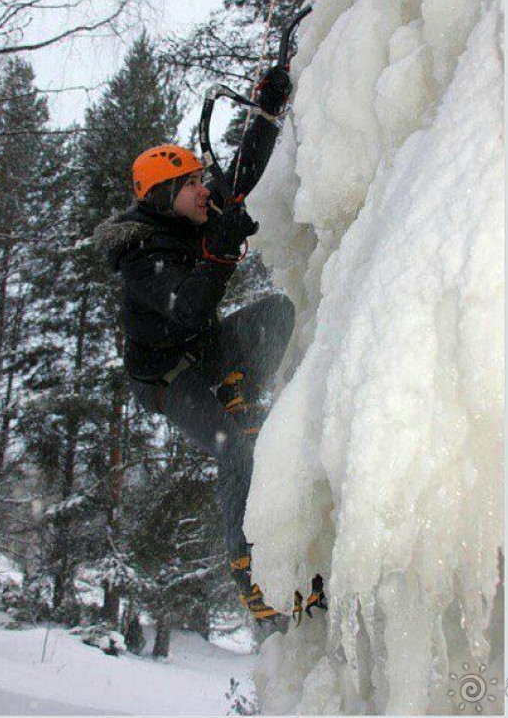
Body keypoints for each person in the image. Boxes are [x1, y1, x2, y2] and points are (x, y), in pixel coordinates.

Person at [95, 66, 295, 620]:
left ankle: (238, 389)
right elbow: (189, 307)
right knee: (235, 449)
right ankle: (249, 573)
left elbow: (241, 175)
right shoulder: (139, 253)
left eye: (198, 179)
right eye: (189, 183)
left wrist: (268, 113)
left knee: (277, 310)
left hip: (210, 353)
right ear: (163, 195)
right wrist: (218, 254)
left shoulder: (194, 212)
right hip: (169, 382)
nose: (202, 187)